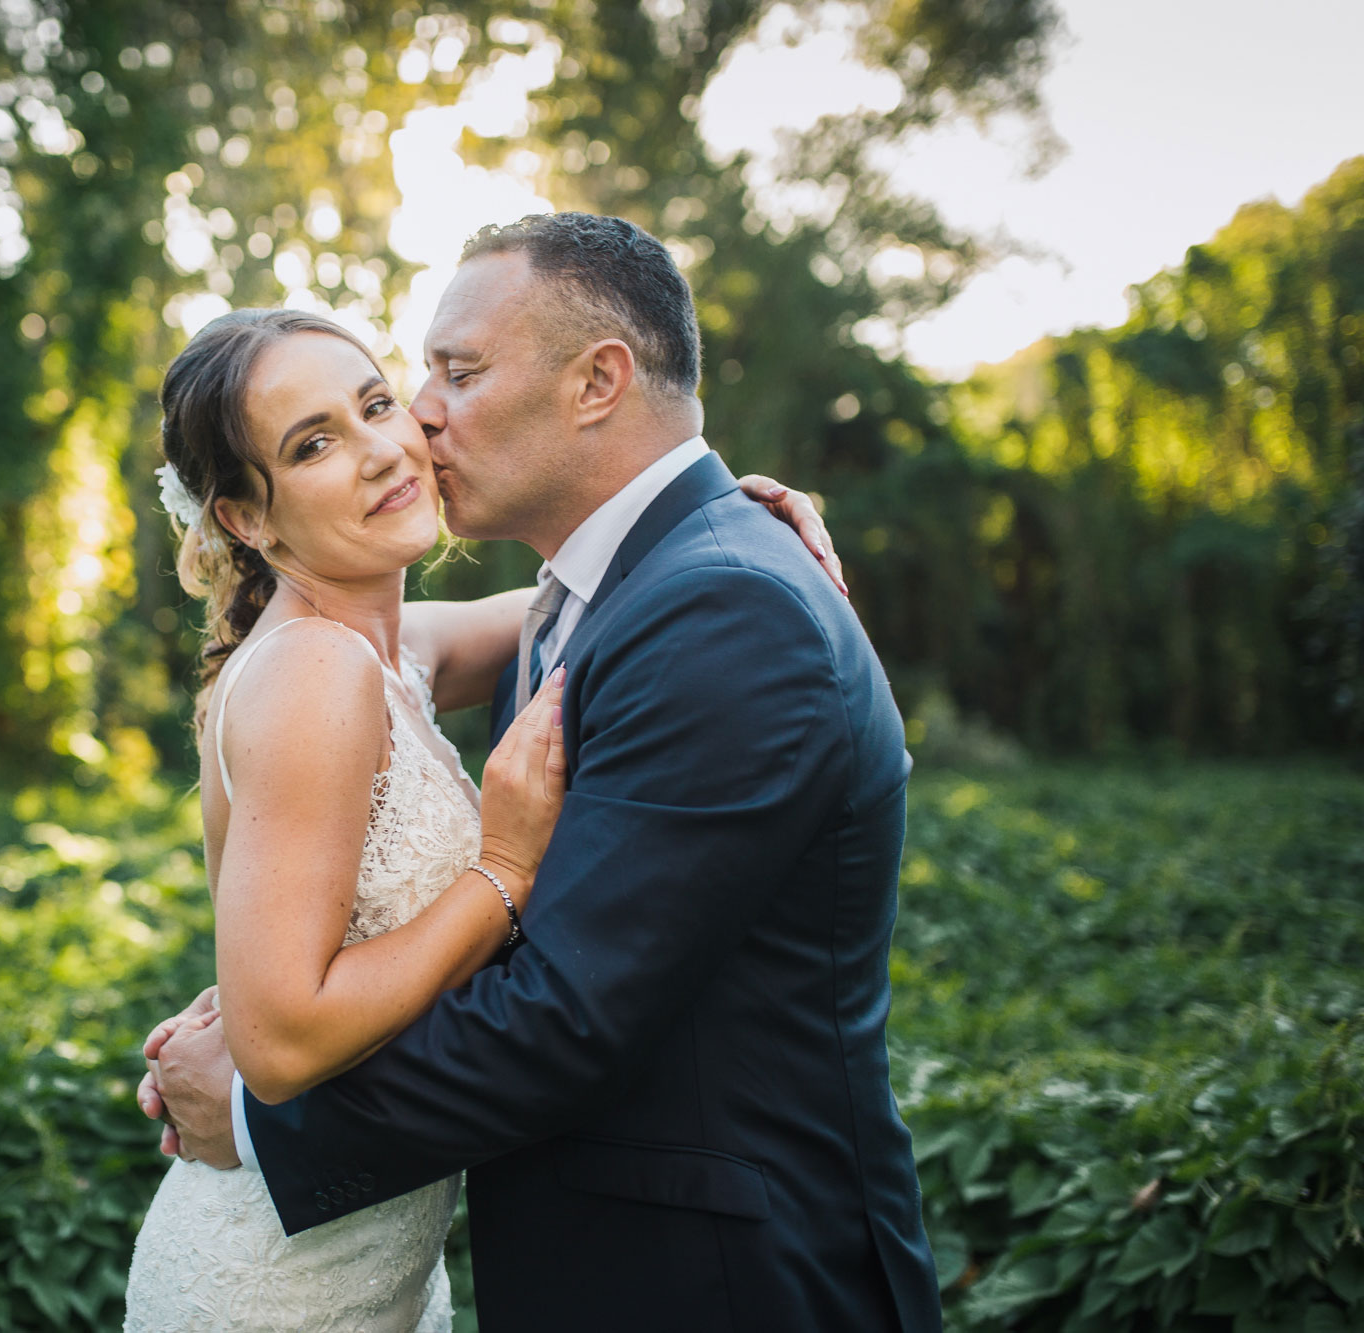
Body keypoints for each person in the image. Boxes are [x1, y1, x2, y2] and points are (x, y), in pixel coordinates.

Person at [141, 213, 941, 1332]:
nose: (411, 419)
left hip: (718, 1281)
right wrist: (499, 870)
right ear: (243, 514)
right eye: (314, 441)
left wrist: (739, 507)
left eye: (436, 378)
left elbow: (563, 1010)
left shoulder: (668, 605)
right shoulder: (343, 663)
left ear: (597, 382)